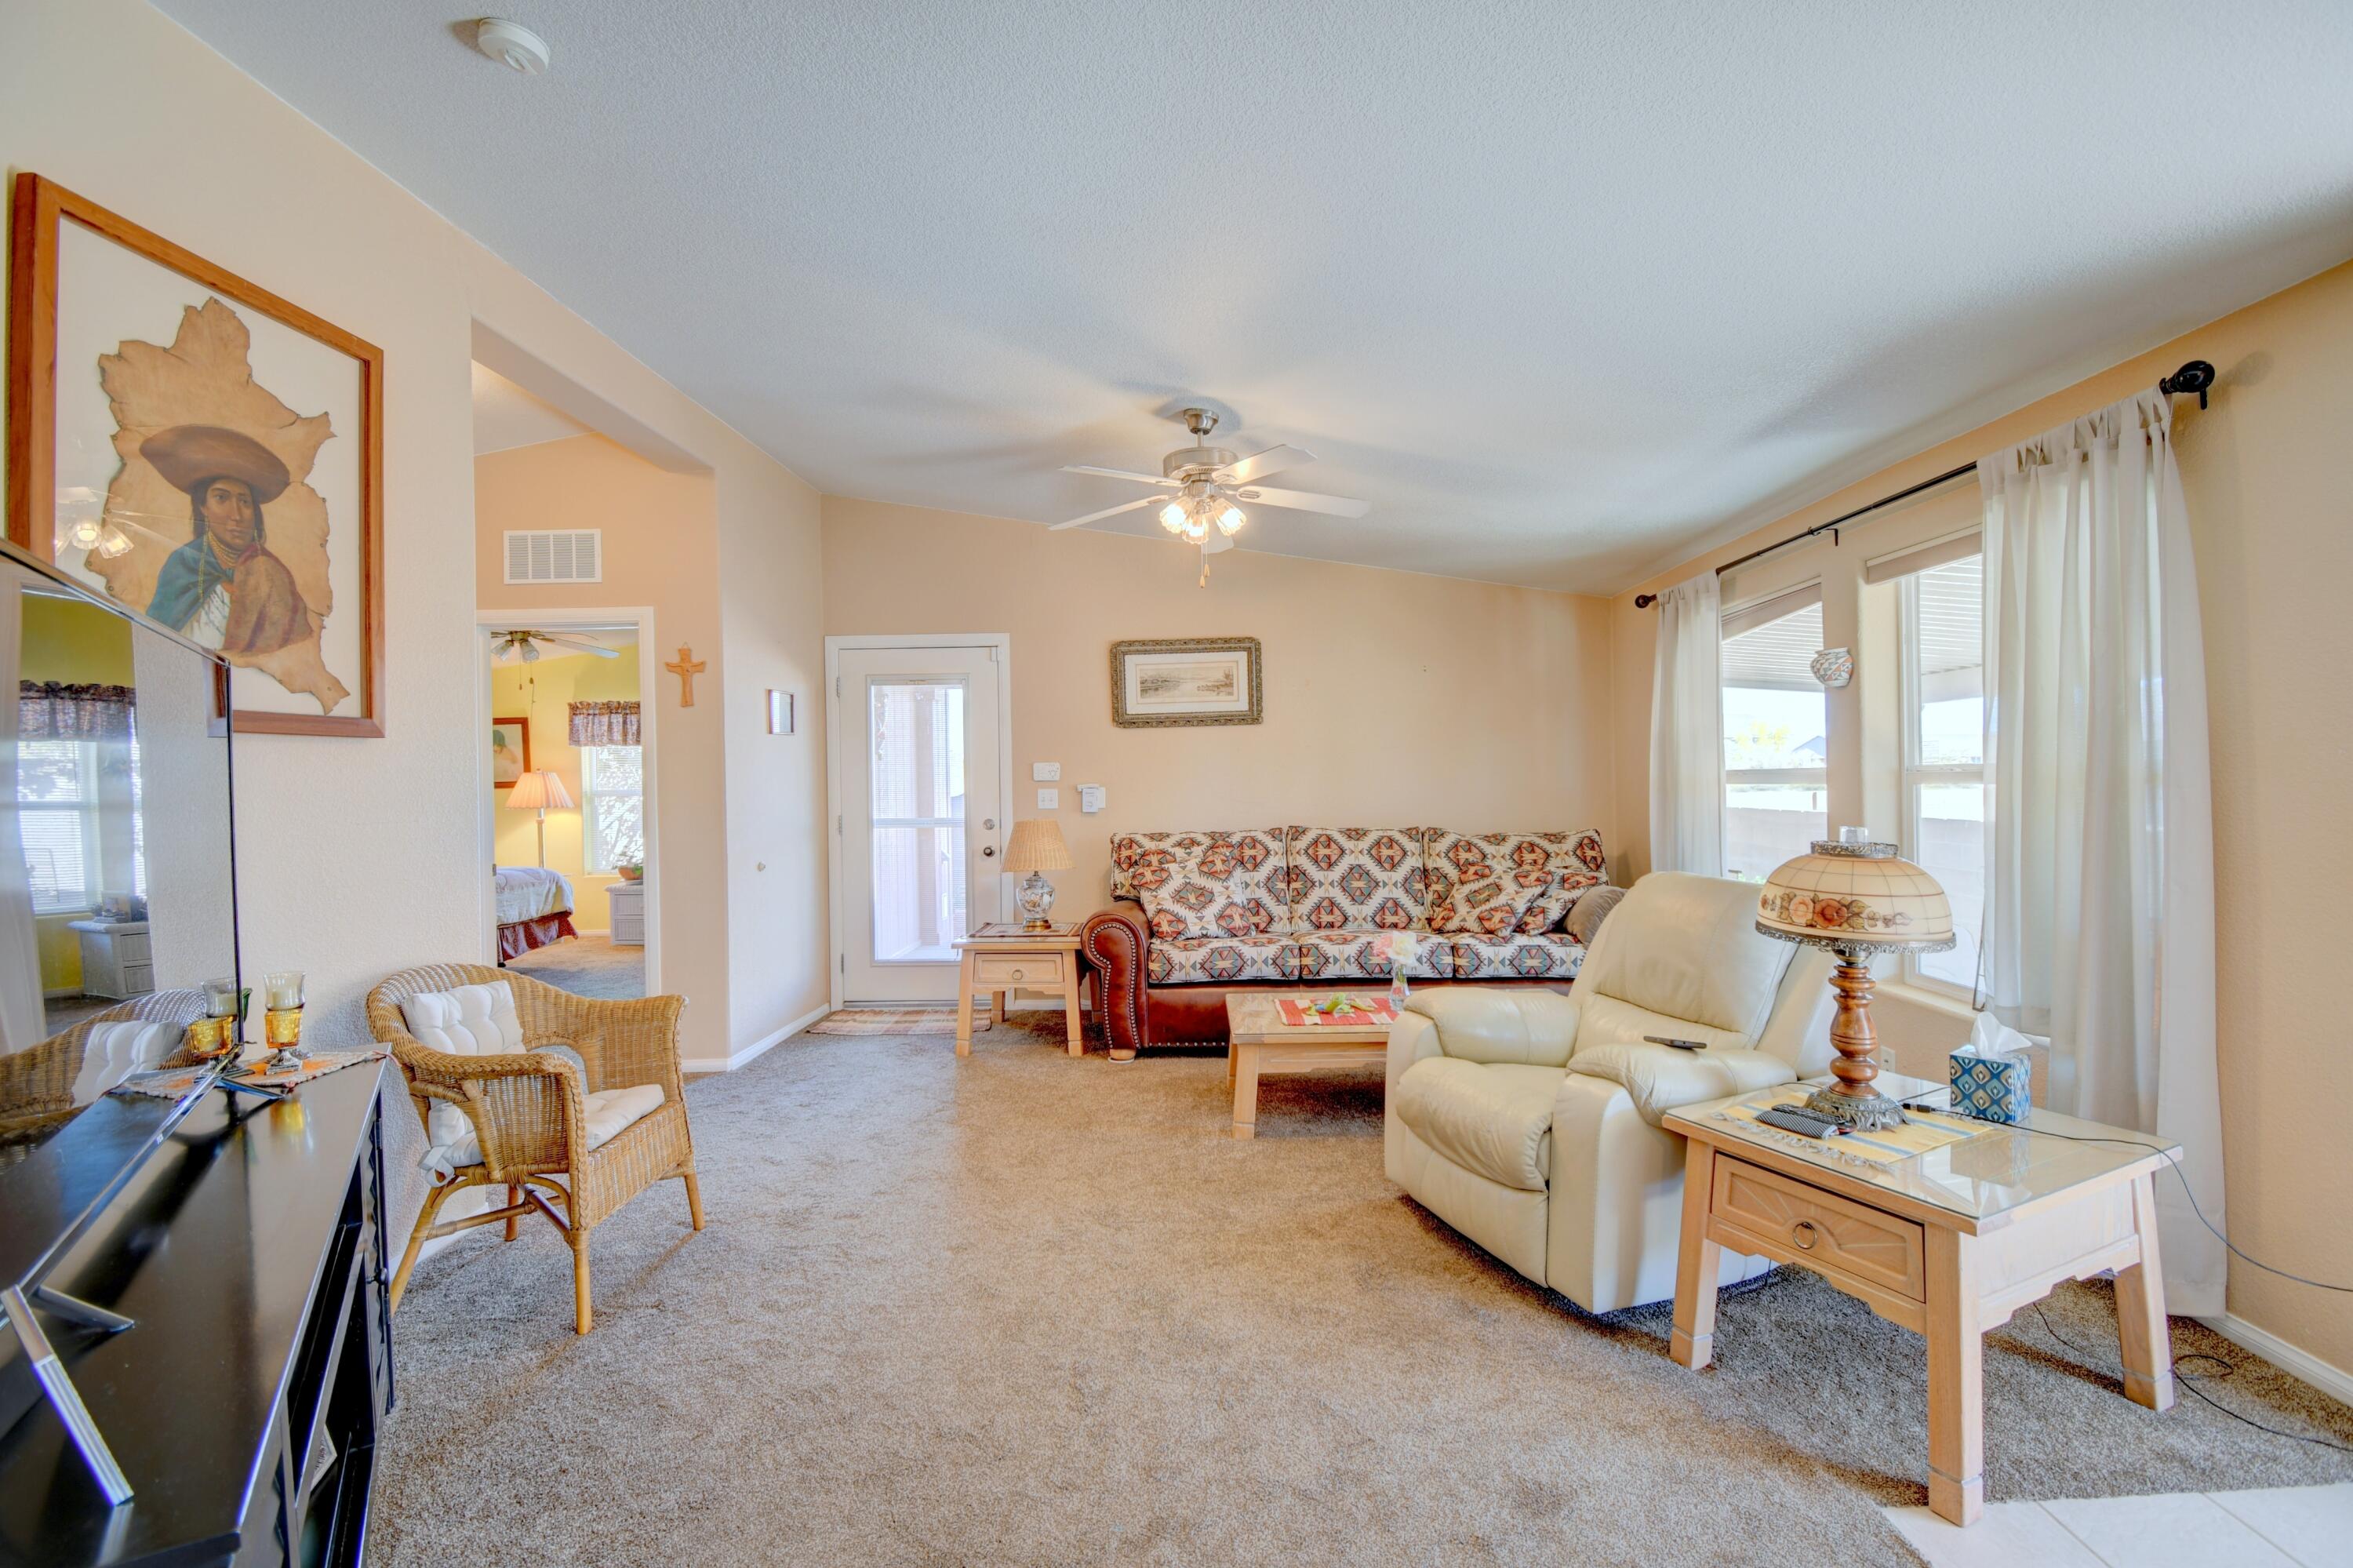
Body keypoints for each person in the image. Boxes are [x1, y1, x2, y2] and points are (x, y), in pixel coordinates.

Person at [140, 425, 310, 656]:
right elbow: (155, 641)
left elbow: (291, 649)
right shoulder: (184, 563)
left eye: (245, 502)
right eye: (221, 498)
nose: (236, 515)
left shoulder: (270, 572)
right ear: (204, 507)